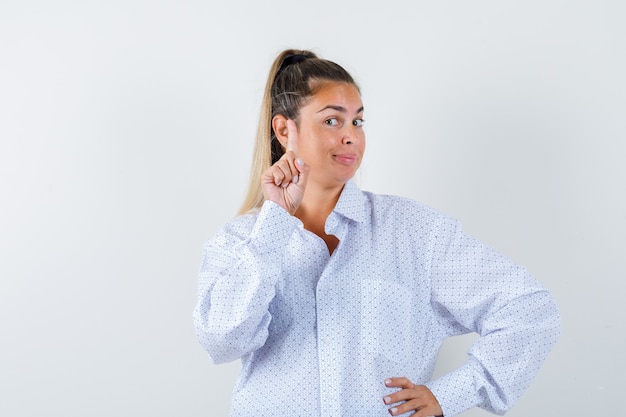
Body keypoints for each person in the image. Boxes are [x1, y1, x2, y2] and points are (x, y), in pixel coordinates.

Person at [193, 49, 560, 417]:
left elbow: (528, 307)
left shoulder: (414, 231)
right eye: (333, 121)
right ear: (285, 129)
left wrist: (451, 394)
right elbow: (221, 341)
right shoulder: (239, 241)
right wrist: (275, 222)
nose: (351, 136)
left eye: (358, 122)